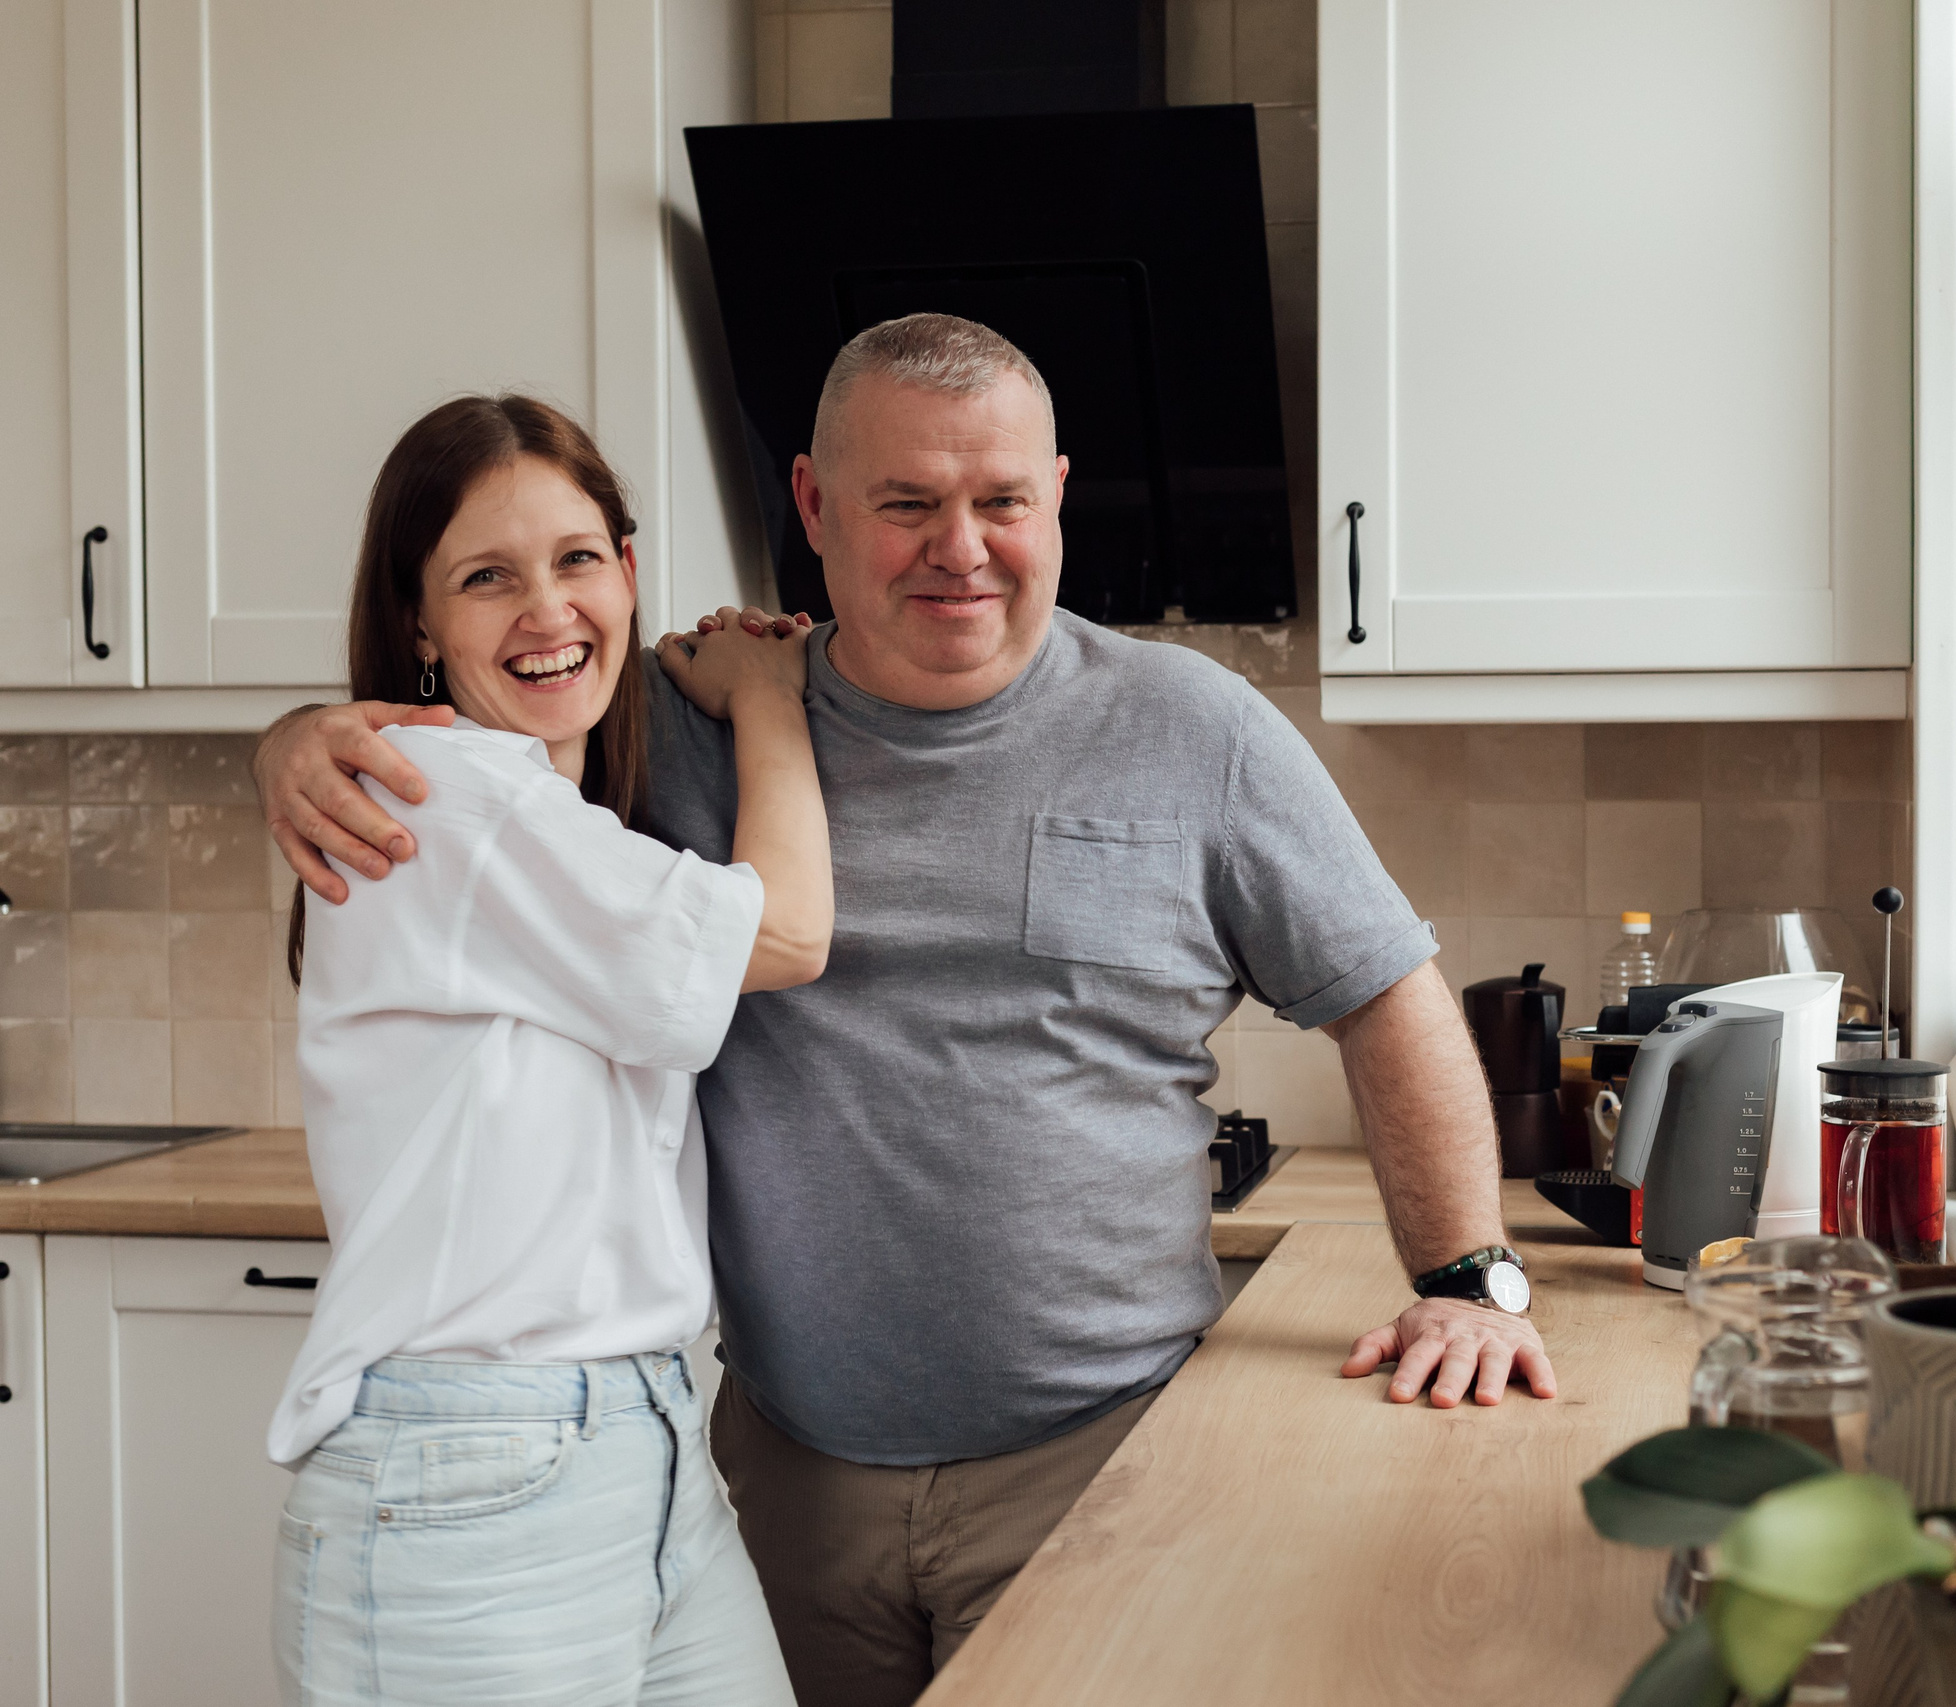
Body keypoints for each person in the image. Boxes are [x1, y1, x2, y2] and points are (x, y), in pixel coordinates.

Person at [256, 316, 1556, 1707]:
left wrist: (1464, 1280)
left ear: (1057, 492)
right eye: (906, 504)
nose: (962, 546)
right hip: (777, 1481)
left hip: (1093, 1465)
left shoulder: (1197, 730)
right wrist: (289, 741)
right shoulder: (669, 725)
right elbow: (478, 750)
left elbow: (1385, 993)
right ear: (813, 506)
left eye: (1001, 501)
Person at [267, 394, 832, 1707]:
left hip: (640, 1448)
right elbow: (792, 933)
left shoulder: (558, 823)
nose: (547, 609)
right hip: (471, 1473)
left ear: (629, 573)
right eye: (485, 578)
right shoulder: (445, 790)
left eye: (578, 559)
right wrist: (768, 695)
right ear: (420, 622)